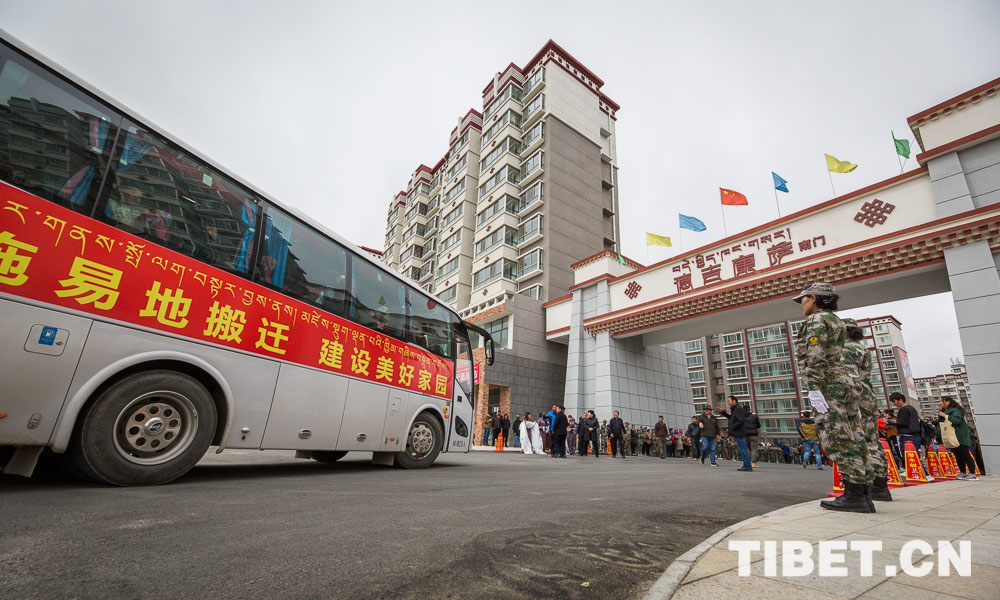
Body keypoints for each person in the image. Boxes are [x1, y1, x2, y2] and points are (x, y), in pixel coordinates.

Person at [792, 282, 871, 513]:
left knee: (836, 436)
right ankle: (863, 491)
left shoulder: (817, 321)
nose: (801, 305)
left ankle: (854, 494)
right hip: (844, 381)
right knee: (854, 434)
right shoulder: (836, 321)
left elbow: (814, 356)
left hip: (829, 383)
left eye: (803, 300)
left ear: (814, 298)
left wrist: (814, 387)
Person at [842, 317, 892, 502]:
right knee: (872, 440)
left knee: (859, 440)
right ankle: (880, 485)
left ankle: (865, 486)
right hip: (867, 397)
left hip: (857, 399)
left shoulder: (848, 348)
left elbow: (849, 378)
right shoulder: (861, 348)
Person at [937, 396, 977, 480]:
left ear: (947, 402)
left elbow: (956, 421)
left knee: (965, 455)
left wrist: (945, 415)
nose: (939, 403)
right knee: (958, 456)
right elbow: (941, 424)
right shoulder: (945, 412)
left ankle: (972, 473)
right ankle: (962, 472)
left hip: (959, 437)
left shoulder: (957, 411)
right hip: (951, 438)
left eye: (941, 401)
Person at [892, 392, 925, 478]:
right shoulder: (911, 408)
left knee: (908, 455)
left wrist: (892, 422)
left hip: (907, 435)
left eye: (894, 401)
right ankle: (922, 473)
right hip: (915, 435)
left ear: (900, 400)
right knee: (914, 455)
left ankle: (912, 471)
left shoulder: (903, 409)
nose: (894, 403)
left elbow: (903, 422)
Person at [717, 396, 752, 471]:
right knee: (742, 449)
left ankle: (747, 466)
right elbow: (731, 417)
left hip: (739, 432)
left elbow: (740, 420)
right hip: (738, 432)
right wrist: (723, 412)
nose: (728, 402)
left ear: (734, 401)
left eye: (729, 401)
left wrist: (733, 427)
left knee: (743, 449)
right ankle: (746, 465)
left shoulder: (738, 409)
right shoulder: (735, 409)